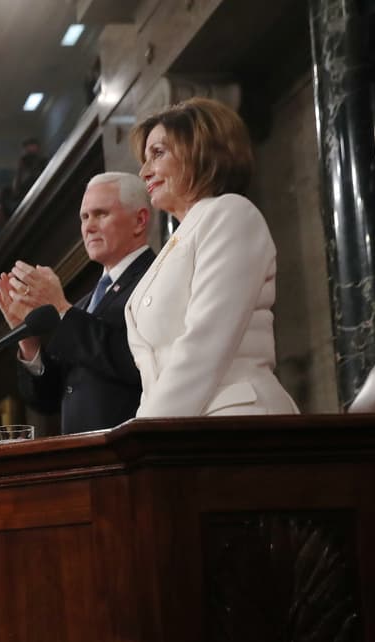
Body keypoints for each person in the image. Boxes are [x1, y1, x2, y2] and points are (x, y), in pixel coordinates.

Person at [127, 97, 298, 416]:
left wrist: (149, 434)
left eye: (158, 154)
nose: (144, 171)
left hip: (237, 421)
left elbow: (205, 342)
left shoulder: (231, 214)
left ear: (200, 152)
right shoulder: (179, 239)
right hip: (187, 428)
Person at [0, 171, 155, 434]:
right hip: (83, 458)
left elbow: (136, 362)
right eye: (84, 216)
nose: (88, 226)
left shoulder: (155, 279)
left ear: (139, 220)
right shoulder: (84, 305)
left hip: (130, 455)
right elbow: (46, 401)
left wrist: (60, 309)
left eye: (101, 214)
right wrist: (27, 339)